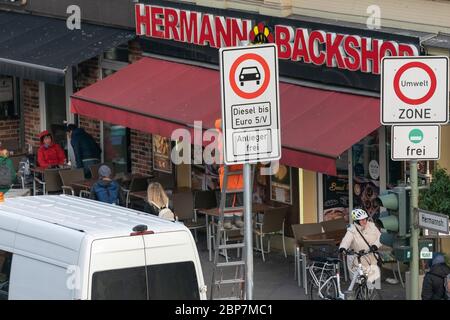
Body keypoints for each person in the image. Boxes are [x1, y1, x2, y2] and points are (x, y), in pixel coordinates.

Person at [339, 208, 382, 288]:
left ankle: (370, 295)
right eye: (361, 220)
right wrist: (343, 248)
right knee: (360, 283)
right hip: (358, 260)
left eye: (365, 219)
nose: (364, 221)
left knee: (373, 284)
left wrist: (375, 246)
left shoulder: (372, 226)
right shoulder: (352, 230)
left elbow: (380, 238)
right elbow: (346, 240)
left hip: (372, 258)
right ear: (356, 221)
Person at [214, 119, 244, 229]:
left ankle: (237, 218)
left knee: (240, 199)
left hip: (240, 172)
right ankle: (227, 220)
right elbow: (219, 124)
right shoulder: (222, 130)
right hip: (228, 172)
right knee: (228, 199)